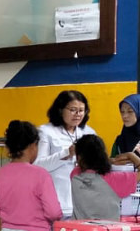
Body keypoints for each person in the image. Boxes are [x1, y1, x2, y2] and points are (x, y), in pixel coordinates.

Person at [35, 90, 96, 219]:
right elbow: (38, 166)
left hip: (84, 202)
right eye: (73, 110)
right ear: (60, 109)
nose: (78, 114)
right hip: (57, 201)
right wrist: (67, 153)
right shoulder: (46, 131)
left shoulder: (89, 132)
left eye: (81, 110)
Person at [71, 134, 140, 221]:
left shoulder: (75, 175)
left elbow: (83, 165)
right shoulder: (115, 179)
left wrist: (110, 161)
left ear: (78, 157)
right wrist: (131, 156)